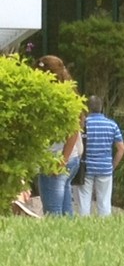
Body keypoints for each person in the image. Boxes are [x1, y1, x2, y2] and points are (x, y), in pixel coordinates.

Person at [34, 55, 81, 216]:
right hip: (71, 158)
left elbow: (73, 130)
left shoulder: (57, 98)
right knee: (66, 211)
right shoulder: (69, 94)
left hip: (57, 159)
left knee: (52, 212)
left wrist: (61, 161)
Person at [76, 95, 124, 216]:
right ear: (102, 108)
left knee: (83, 200)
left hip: (85, 168)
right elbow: (121, 149)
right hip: (105, 168)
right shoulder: (112, 125)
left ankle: (83, 225)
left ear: (87, 108)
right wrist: (112, 166)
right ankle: (104, 226)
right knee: (104, 201)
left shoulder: (83, 125)